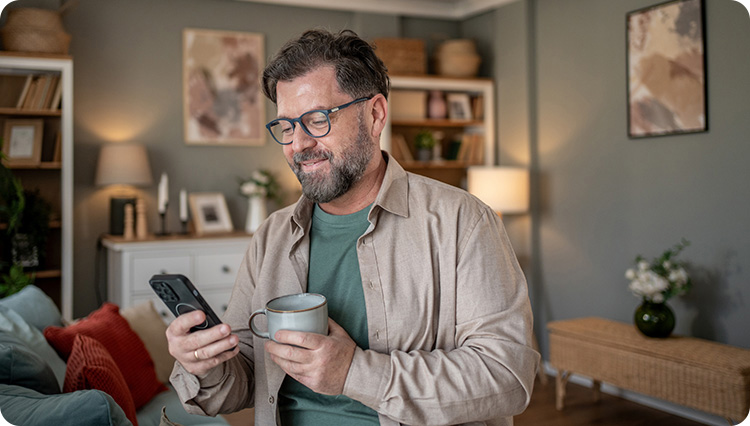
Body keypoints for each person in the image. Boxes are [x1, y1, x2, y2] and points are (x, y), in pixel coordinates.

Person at [167, 28, 540, 426]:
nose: (298, 144)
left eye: (316, 119)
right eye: (287, 127)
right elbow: (242, 382)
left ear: (375, 114)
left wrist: (354, 372)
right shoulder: (272, 236)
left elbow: (508, 376)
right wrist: (204, 364)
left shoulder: (462, 223)